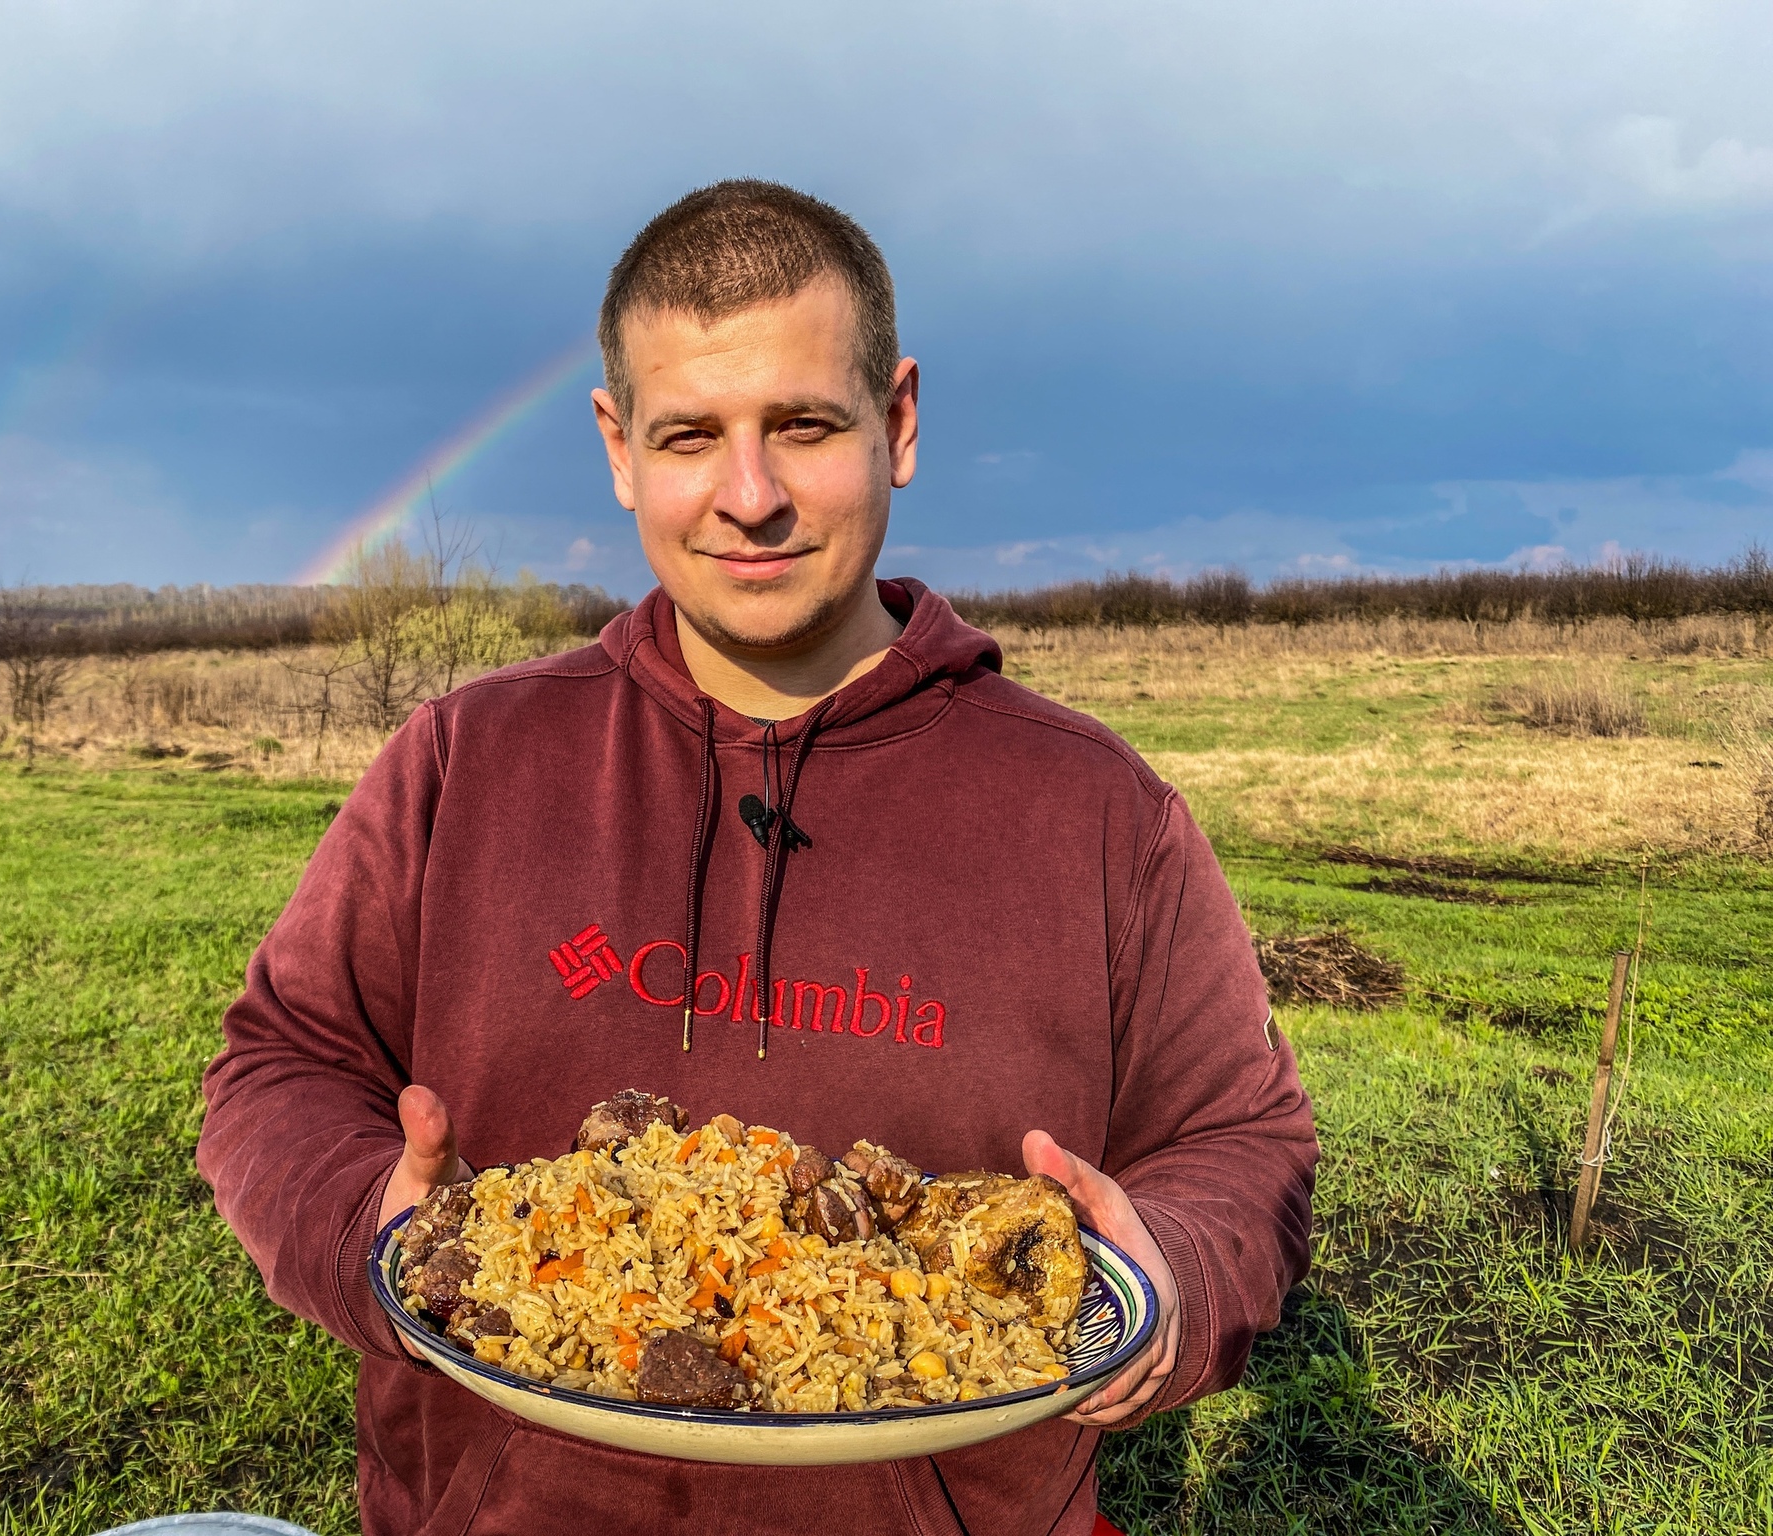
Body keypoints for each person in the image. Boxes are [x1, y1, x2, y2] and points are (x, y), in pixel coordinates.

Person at [199, 179, 1317, 1536]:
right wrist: (362, 1221)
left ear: (897, 422)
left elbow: (1240, 1139)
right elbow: (281, 1062)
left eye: (803, 425)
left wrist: (1175, 1279)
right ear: (617, 449)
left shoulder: (1098, 814)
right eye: (690, 435)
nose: (750, 496)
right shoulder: (463, 764)